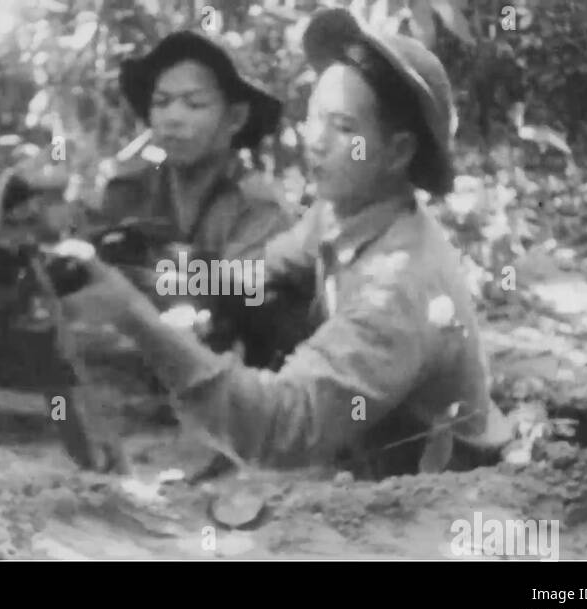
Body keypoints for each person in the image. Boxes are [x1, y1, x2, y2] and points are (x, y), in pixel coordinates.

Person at [58, 9, 495, 480]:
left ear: (399, 151)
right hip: (367, 464)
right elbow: (253, 273)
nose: (316, 141)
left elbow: (282, 427)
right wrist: (162, 280)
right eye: (313, 117)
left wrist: (133, 315)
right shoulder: (339, 215)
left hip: (442, 495)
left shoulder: (397, 285)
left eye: (344, 127)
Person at [51, 29, 306, 471]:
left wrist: (155, 284)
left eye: (194, 104)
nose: (172, 118)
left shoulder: (258, 208)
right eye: (162, 102)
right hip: (135, 393)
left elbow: (244, 295)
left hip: (232, 394)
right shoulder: (128, 191)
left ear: (235, 118)